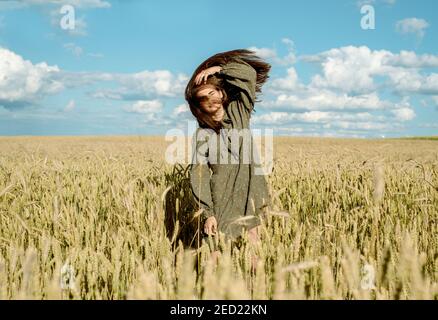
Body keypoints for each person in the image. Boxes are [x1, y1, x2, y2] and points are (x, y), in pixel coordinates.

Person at [185, 49, 272, 271]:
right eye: (203, 97)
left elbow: (248, 74)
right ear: (198, 106)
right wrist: (208, 213)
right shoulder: (203, 135)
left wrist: (220, 70)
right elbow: (199, 173)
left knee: (254, 255)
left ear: (222, 94)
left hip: (250, 195)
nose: (210, 99)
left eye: (213, 92)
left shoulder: (239, 114)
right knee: (214, 256)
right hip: (220, 199)